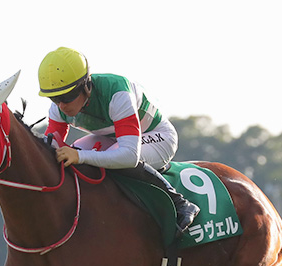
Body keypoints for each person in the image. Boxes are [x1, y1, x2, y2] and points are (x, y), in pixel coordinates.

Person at [38, 47, 199, 235]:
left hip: (158, 136)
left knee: (106, 158)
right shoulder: (57, 109)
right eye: (54, 98)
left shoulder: (117, 93)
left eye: (67, 96)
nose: (61, 105)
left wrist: (80, 156)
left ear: (86, 85)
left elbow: (129, 156)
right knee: (68, 157)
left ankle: (180, 203)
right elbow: (51, 148)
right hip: (113, 138)